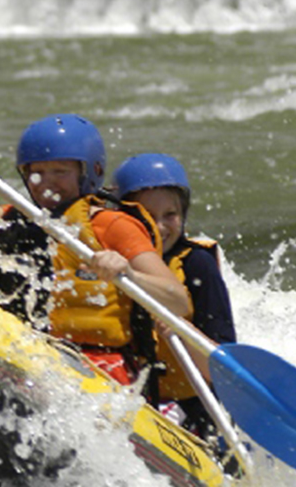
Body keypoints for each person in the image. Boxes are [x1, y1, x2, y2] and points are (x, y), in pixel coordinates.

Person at [0, 100, 190, 384]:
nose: (47, 182)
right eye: (37, 173)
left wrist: (128, 275)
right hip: (33, 360)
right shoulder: (14, 224)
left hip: (102, 369)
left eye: (60, 172)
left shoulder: (111, 225)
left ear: (92, 172)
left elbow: (177, 300)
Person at [113, 152, 236, 435]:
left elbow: (222, 372)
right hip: (131, 395)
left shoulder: (197, 266)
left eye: (170, 215)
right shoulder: (112, 260)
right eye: (147, 216)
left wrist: (181, 331)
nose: (159, 226)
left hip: (193, 407)